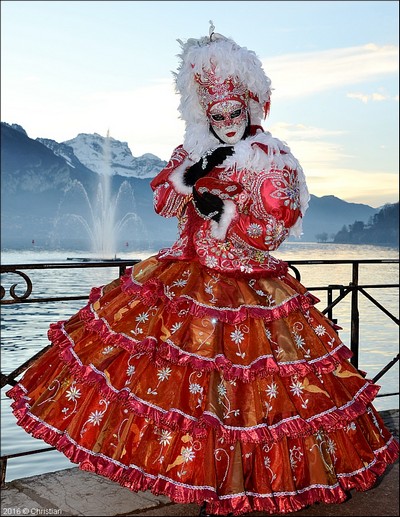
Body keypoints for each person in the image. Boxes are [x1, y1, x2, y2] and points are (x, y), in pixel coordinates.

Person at [7, 23, 398, 517]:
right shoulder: (192, 151)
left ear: (250, 107)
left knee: (249, 393)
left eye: (237, 111)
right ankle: (199, 479)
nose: (230, 120)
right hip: (184, 278)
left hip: (249, 290)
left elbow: (276, 228)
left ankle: (248, 484)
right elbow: (164, 206)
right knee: (186, 392)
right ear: (205, 112)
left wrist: (226, 216)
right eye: (219, 113)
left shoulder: (270, 158)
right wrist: (185, 180)